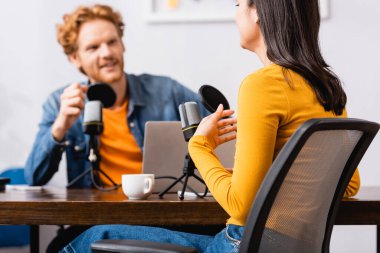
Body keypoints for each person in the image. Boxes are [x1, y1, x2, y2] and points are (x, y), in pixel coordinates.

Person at [60, 0, 360, 252]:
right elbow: (349, 184)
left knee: (90, 239)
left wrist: (200, 146)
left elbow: (240, 208)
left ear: (258, 12)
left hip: (239, 245)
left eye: (238, 3)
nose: (236, 11)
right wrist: (265, 177)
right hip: (287, 246)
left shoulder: (262, 85)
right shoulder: (326, 87)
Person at [24, 4, 207, 253]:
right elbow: (34, 177)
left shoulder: (167, 91)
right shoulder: (60, 103)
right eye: (93, 47)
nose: (107, 52)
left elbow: (223, 135)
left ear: (123, 45)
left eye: (112, 42)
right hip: (99, 220)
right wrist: (60, 126)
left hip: (166, 216)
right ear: (74, 57)